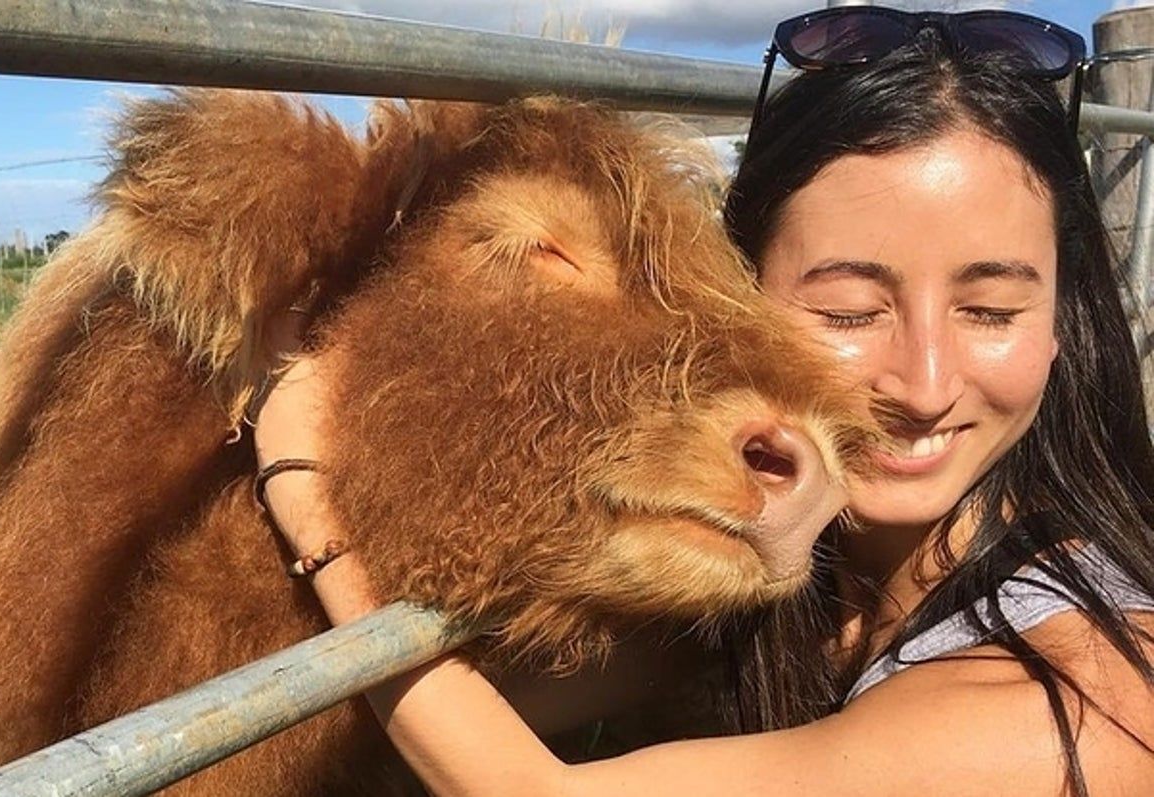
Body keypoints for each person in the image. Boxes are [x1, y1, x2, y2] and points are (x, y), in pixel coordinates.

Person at [253, 8, 1154, 795]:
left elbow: (529, 788)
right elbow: (468, 706)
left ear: (1061, 320)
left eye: (991, 311)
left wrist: (304, 480)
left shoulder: (1082, 703)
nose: (925, 386)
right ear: (735, 293)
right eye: (850, 310)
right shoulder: (822, 573)